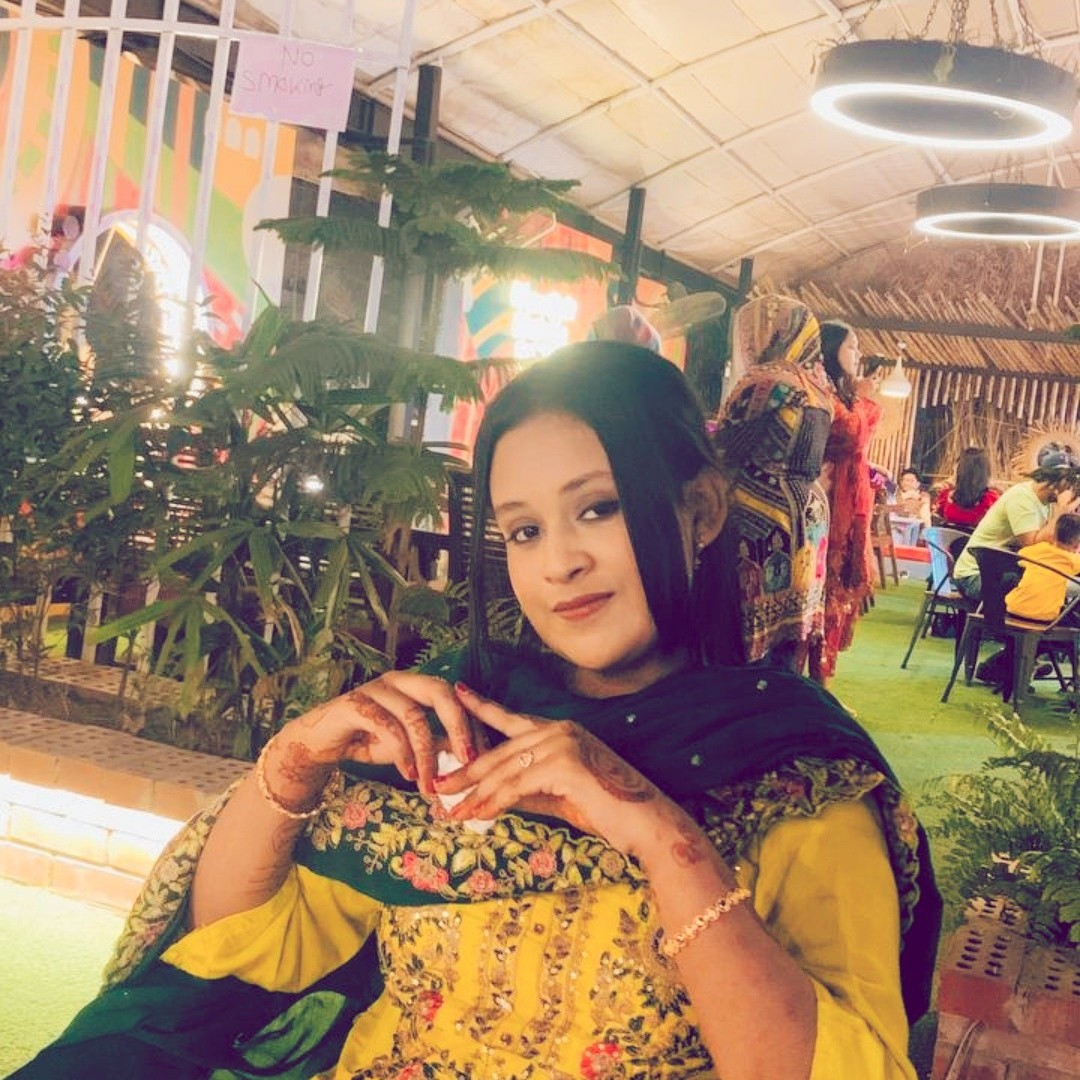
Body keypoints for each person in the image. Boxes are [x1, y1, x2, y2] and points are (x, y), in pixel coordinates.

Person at [13, 342, 940, 1080]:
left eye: (599, 508)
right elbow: (249, 947)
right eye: (525, 529)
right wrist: (292, 764)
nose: (559, 563)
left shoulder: (794, 774)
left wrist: (661, 839)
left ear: (699, 509)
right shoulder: (464, 716)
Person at [712, 295, 833, 670]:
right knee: (792, 629)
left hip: (761, 516)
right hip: (810, 515)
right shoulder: (819, 387)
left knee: (746, 625)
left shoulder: (766, 382)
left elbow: (726, 449)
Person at [812, 320, 882, 684]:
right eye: (851, 346)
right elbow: (852, 436)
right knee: (823, 592)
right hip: (827, 502)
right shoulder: (820, 389)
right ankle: (814, 682)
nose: (858, 354)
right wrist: (865, 398)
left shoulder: (844, 393)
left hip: (850, 506)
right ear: (830, 349)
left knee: (838, 593)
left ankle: (823, 682)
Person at [953, 460, 1080, 602]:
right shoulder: (1021, 498)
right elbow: (1033, 547)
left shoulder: (1048, 504)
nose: (1071, 491)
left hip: (1007, 574)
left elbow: (1054, 544)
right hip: (976, 577)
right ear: (1054, 483)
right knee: (1057, 586)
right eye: (1068, 485)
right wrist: (1061, 511)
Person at [1005, 512, 1080, 623]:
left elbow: (1020, 556)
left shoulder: (1038, 549)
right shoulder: (1073, 560)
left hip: (1013, 609)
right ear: (1077, 544)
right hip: (1045, 618)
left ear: (1053, 534)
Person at [933, 447, 999, 530]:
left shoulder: (946, 496)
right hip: (977, 538)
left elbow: (938, 517)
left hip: (949, 538)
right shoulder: (991, 499)